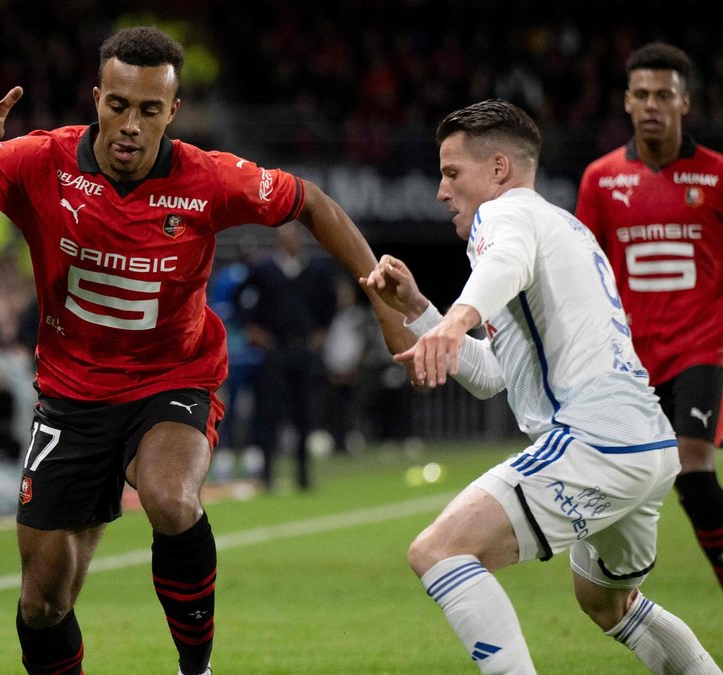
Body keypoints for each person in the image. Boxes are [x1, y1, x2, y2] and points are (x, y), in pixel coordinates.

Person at [0, 25, 413, 675]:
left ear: (173, 111)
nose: (130, 125)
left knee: (171, 498)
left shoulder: (208, 179)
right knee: (43, 603)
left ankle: (197, 669)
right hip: (71, 398)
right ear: (97, 98)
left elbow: (314, 203)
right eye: (118, 105)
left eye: (149, 109)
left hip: (172, 379)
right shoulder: (37, 160)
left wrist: (383, 305)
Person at [364, 99, 719, 674]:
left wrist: (456, 321)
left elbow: (502, 260)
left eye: (451, 173)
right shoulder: (563, 228)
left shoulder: (504, 216)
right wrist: (423, 311)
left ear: (498, 169)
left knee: (439, 551)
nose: (441, 191)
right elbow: (492, 377)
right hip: (646, 443)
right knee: (608, 603)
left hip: (597, 437)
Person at [574, 42, 723, 593]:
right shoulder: (601, 179)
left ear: (686, 102)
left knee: (693, 466)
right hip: (630, 358)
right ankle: (618, 599)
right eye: (642, 94)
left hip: (703, 348)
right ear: (626, 102)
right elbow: (584, 271)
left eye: (664, 94)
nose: (652, 104)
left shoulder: (718, 175)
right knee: (620, 479)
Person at [236, 224, 337, 490]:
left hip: (303, 349)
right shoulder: (264, 269)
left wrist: (322, 332)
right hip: (275, 349)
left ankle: (303, 475)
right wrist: (251, 329)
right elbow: (239, 298)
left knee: (304, 413)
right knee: (269, 412)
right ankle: (267, 474)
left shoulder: (314, 270)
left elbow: (330, 303)